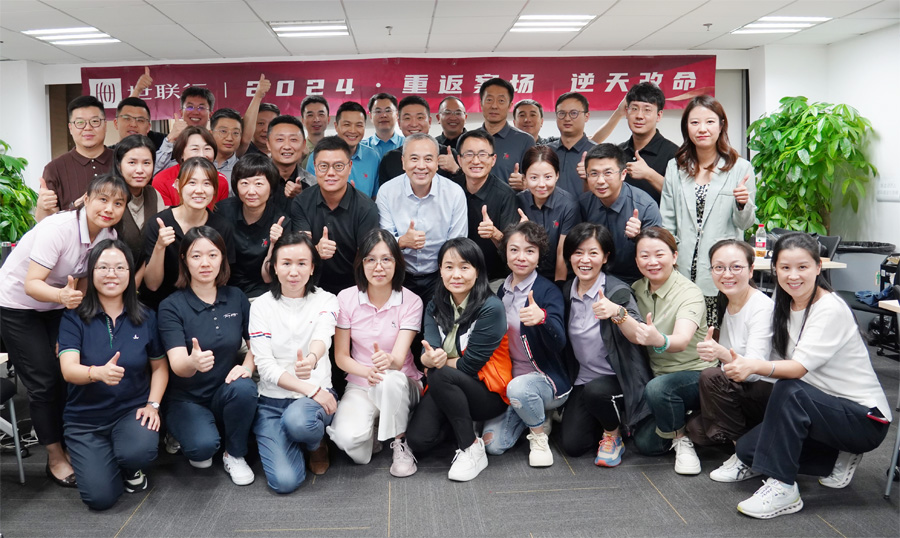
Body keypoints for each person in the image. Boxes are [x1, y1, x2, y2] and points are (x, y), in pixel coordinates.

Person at [727, 233, 892, 519]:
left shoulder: (829, 308)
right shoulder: (785, 302)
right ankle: (836, 454)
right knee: (748, 450)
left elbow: (796, 369)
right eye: (785, 267)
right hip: (822, 409)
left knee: (789, 389)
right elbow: (775, 358)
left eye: (802, 267)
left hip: (865, 419)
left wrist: (753, 366)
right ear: (775, 269)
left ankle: (784, 487)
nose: (793, 276)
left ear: (818, 267)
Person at [0, 174, 128, 487]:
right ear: (86, 198)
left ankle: (71, 443)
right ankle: (55, 457)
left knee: (68, 372)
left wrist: (74, 314)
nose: (109, 208)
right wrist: (62, 297)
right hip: (17, 304)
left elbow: (82, 279)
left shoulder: (107, 234)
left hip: (58, 305)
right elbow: (32, 284)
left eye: (118, 203)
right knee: (43, 382)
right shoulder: (58, 229)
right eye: (102, 199)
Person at [58, 239, 168, 510]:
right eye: (103, 267)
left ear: (130, 273)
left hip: (130, 411)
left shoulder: (146, 316)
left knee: (138, 452)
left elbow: (159, 367)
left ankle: (130, 466)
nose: (111, 274)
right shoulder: (73, 317)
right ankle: (104, 458)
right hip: (85, 421)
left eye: (120, 267)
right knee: (100, 499)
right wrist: (97, 373)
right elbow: (68, 370)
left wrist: (152, 405)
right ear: (92, 272)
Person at [157, 226, 257, 485]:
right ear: (184, 260)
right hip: (187, 399)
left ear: (222, 258)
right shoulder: (171, 306)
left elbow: (256, 345)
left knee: (245, 387)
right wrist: (192, 362)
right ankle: (184, 431)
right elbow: (178, 365)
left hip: (225, 391)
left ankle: (234, 454)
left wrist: (247, 366)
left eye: (212, 255)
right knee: (202, 452)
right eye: (196, 256)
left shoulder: (236, 297)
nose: (205, 263)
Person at [406, 238, 511, 482]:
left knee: (439, 374)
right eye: (449, 267)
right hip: (447, 386)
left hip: (488, 392)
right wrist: (429, 358)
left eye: (464, 267)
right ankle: (459, 423)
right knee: (418, 440)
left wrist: (435, 363)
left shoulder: (491, 308)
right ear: (440, 270)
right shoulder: (435, 304)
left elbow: (469, 366)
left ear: (477, 271)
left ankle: (471, 447)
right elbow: (427, 352)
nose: (456, 274)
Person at [327, 230, 423, 477]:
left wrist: (389, 360)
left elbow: (398, 360)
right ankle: (377, 429)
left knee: (389, 379)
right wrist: (366, 371)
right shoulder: (346, 298)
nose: (378, 267)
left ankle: (401, 441)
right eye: (370, 259)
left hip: (402, 382)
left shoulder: (411, 301)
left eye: (386, 259)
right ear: (361, 263)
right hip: (362, 383)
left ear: (397, 262)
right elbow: (341, 357)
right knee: (348, 441)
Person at [556, 223, 654, 465]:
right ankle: (606, 419)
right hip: (583, 380)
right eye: (578, 252)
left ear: (605, 257)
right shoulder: (568, 290)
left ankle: (613, 434)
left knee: (597, 392)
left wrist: (617, 312)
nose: (584, 260)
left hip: (619, 378)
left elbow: (638, 335)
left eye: (593, 253)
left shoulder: (616, 291)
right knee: (573, 445)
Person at [249, 232, 339, 492]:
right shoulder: (260, 306)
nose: (293, 271)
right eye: (286, 263)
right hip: (272, 402)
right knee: (284, 482)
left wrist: (312, 359)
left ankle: (315, 444)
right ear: (275, 267)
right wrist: (309, 388)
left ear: (312, 268)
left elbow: (323, 336)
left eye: (302, 263)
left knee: (299, 421)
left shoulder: (326, 299)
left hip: (314, 400)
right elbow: (265, 366)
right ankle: (291, 440)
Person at [684, 239, 775, 481]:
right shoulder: (725, 300)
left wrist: (721, 353)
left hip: (767, 389)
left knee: (711, 377)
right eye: (719, 267)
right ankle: (758, 443)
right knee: (697, 429)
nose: (727, 274)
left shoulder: (762, 307)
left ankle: (745, 458)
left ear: (751, 270)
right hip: (742, 388)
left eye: (736, 267)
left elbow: (754, 371)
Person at [661, 95, 756, 327]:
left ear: (721, 125)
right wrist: (669, 259)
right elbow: (667, 220)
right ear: (686, 127)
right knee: (684, 331)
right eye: (694, 122)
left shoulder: (740, 167)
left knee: (717, 333)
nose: (702, 129)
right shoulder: (675, 167)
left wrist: (742, 204)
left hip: (722, 270)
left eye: (710, 122)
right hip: (682, 267)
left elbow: (745, 224)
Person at [482, 222, 569, 467]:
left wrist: (543, 319)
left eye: (530, 251)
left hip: (546, 379)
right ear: (505, 253)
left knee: (520, 389)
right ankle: (536, 413)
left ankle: (539, 438)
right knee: (493, 444)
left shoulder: (547, 291)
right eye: (514, 250)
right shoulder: (501, 289)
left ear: (539, 256)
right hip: (510, 380)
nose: (521, 257)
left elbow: (560, 343)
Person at [625, 227, 711, 473]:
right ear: (636, 261)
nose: (652, 262)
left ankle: (681, 439)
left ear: (674, 256)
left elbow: (682, 340)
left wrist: (658, 339)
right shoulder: (637, 289)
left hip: (696, 374)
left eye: (659, 254)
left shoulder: (689, 292)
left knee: (659, 389)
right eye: (644, 256)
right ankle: (687, 419)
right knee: (645, 443)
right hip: (659, 376)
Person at [376, 133, 468, 301]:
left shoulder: (454, 193)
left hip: (440, 275)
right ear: (403, 162)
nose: (421, 166)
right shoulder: (387, 192)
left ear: (437, 162)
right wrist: (402, 242)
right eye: (414, 159)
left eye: (428, 159)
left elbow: (457, 244)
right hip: (398, 274)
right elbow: (383, 242)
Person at [142, 157, 236, 309]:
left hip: (208, 307)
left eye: (207, 183)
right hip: (164, 306)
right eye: (192, 183)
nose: (199, 190)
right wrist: (160, 246)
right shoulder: (159, 223)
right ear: (178, 185)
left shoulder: (222, 227)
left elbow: (224, 279)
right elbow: (152, 285)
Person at [291, 136, 381, 296]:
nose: (331, 173)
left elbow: (367, 258)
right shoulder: (301, 202)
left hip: (355, 289)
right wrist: (315, 250)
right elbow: (300, 251)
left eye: (338, 166)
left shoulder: (366, 208)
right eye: (323, 166)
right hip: (311, 287)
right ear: (315, 167)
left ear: (350, 166)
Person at [579, 143, 661, 284]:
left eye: (608, 173)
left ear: (623, 174)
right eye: (594, 174)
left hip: (636, 281)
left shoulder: (645, 206)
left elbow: (657, 255)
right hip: (595, 277)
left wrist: (638, 237)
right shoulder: (583, 203)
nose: (600, 181)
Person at [215, 153, 291, 299]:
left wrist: (274, 244)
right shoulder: (222, 211)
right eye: (244, 183)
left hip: (264, 293)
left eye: (258, 184)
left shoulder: (281, 221)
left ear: (271, 187)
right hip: (224, 289)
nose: (251, 191)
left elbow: (271, 276)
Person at [37, 96, 114, 221]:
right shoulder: (54, 168)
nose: (87, 128)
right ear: (70, 128)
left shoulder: (123, 161)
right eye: (80, 123)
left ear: (105, 125)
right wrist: (42, 207)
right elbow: (44, 223)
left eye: (95, 121)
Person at [455, 130, 518, 282]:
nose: (476, 161)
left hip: (494, 278)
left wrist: (494, 233)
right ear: (459, 159)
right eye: (469, 154)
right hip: (457, 275)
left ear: (493, 159)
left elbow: (514, 247)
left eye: (483, 154)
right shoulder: (452, 189)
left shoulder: (505, 195)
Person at [516, 146, 580, 282]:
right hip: (526, 274)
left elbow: (561, 253)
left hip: (560, 276)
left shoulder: (568, 205)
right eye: (534, 177)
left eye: (548, 177)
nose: (541, 184)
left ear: (557, 175)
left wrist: (558, 287)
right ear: (524, 178)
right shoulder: (518, 201)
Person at [112, 135, 166, 280]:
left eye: (146, 163)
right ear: (119, 165)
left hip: (149, 279)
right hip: (112, 279)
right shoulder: (107, 196)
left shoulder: (154, 194)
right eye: (132, 163)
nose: (140, 170)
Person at [615, 83, 680, 205]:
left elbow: (682, 197)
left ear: (659, 115)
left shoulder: (674, 153)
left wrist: (649, 174)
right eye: (634, 109)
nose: (639, 116)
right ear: (626, 112)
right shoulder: (617, 152)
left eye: (647, 110)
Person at [377, 96, 462, 186]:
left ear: (429, 121)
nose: (414, 124)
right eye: (407, 118)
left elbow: (464, 190)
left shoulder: (448, 154)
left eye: (420, 117)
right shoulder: (389, 159)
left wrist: (456, 170)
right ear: (399, 123)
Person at [307, 102, 381, 198]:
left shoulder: (373, 156)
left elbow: (375, 196)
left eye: (359, 125)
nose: (353, 131)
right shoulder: (317, 156)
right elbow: (312, 197)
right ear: (336, 126)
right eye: (347, 124)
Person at [150, 126, 230, 208]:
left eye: (207, 148)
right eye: (195, 149)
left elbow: (220, 213)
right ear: (181, 153)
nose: (202, 155)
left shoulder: (221, 180)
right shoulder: (162, 180)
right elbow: (165, 214)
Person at [477, 78, 535, 189]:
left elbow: (535, 180)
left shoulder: (525, 140)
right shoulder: (469, 139)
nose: (494, 106)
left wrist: (525, 183)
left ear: (509, 106)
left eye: (501, 101)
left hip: (510, 200)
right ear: (481, 104)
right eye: (489, 100)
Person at [154, 86, 215, 173]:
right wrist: (170, 139)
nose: (195, 112)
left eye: (201, 108)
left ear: (210, 114)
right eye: (190, 107)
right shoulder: (169, 142)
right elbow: (152, 171)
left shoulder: (214, 141)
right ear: (181, 112)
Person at [548, 92, 596, 195]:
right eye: (561, 113)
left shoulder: (598, 153)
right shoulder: (546, 152)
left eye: (574, 113)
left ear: (586, 116)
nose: (567, 118)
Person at [267, 115, 316, 204]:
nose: (287, 146)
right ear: (268, 144)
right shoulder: (253, 179)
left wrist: (303, 197)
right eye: (280, 139)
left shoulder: (313, 184)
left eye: (293, 139)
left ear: (303, 145)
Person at [363, 93, 404, 158]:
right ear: (370, 116)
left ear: (396, 115)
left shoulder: (407, 144)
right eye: (378, 111)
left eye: (388, 111)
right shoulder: (361, 147)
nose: (383, 115)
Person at [210, 108, 243, 187]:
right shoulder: (197, 164)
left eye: (235, 133)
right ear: (210, 134)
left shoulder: (244, 170)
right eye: (223, 131)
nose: (229, 138)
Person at [300, 96, 330, 169]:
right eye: (310, 115)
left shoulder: (337, 149)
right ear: (303, 120)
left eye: (321, 114)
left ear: (328, 119)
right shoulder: (297, 151)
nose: (316, 119)